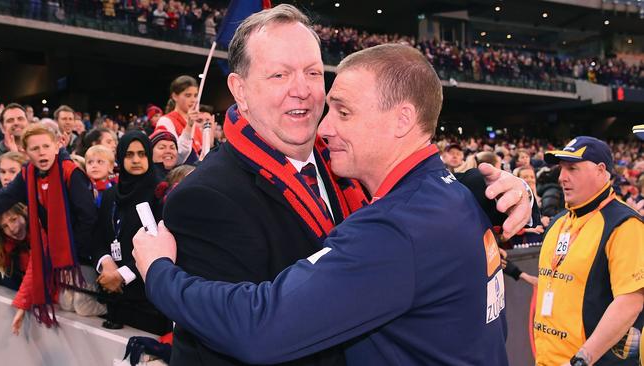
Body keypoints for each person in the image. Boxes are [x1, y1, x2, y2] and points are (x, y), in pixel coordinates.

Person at [134, 5, 531, 366]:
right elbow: (220, 346)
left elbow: (410, 219)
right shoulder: (203, 198)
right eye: (279, 74)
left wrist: (491, 191)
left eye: (311, 72)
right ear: (239, 89)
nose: (304, 90)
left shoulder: (364, 181)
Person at [534, 136, 643, 366]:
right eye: (561, 168)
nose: (562, 177)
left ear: (601, 171)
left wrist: (583, 359)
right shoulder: (558, 221)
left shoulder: (624, 224)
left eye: (573, 168)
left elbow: (631, 301)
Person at [0, 124, 98, 333]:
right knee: (68, 304)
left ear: (58, 145)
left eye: (45, 146)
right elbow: (2, 200)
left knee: (81, 305)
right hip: (59, 254)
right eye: (35, 148)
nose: (41, 152)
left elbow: (89, 219)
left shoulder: (71, 172)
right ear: (25, 152)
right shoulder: (28, 173)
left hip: (84, 253)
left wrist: (70, 252)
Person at [93, 131, 171, 334]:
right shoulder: (111, 194)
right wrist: (107, 264)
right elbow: (98, 237)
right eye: (129, 155)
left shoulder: (160, 193)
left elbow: (161, 248)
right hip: (113, 295)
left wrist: (122, 275)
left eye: (141, 154)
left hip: (147, 300)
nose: (136, 160)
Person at [155, 75, 203, 165]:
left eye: (195, 95)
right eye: (188, 95)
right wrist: (189, 126)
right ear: (175, 96)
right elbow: (176, 157)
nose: (193, 100)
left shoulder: (195, 124)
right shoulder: (166, 121)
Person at [0, 203, 29, 290]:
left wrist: (17, 303)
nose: (12, 228)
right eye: (5, 226)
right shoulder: (7, 242)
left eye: (13, 219)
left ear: (25, 212)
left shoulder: (41, 234)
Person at [0, 103, 29, 189]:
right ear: (2, 127)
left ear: (28, 122)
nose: (16, 123)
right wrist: (15, 156)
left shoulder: (37, 148)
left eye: (20, 119)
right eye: (10, 120)